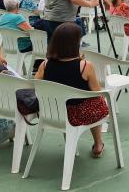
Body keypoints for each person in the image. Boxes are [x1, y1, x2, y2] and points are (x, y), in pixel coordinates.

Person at [35, 22, 108, 158]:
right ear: (76, 43)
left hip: (52, 113)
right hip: (78, 115)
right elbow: (97, 92)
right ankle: (98, 144)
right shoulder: (85, 65)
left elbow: (36, 85)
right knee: (98, 101)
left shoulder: (45, 64)